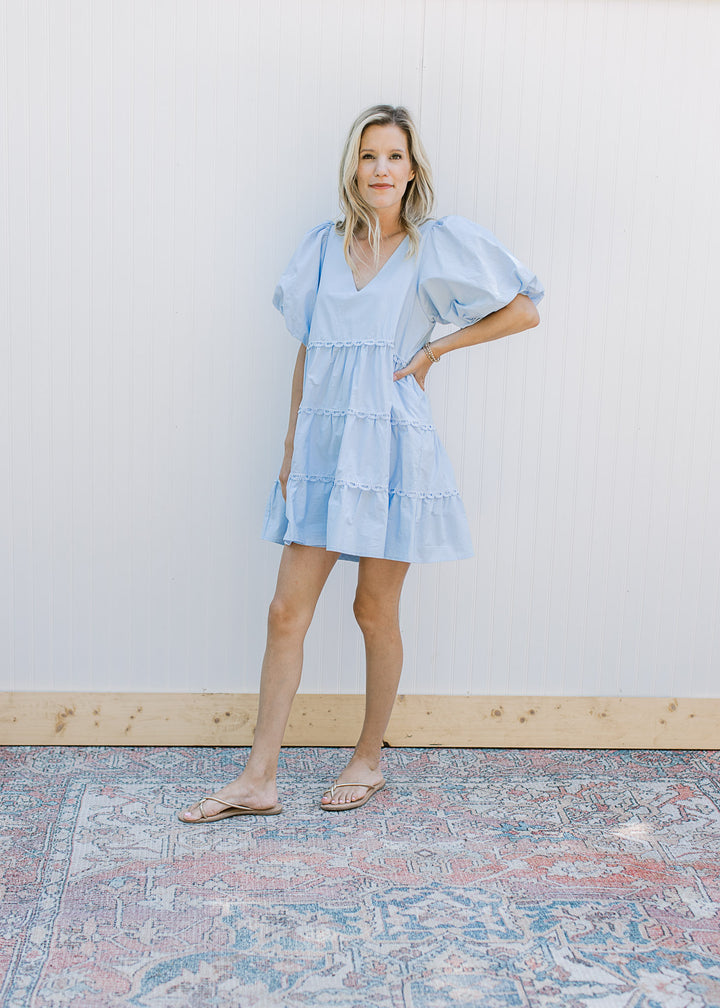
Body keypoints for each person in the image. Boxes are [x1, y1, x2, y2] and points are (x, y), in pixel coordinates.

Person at [178, 104, 543, 823]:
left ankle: (369, 758)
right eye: (369, 156)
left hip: (393, 445)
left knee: (373, 610)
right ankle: (259, 778)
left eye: (394, 157)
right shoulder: (320, 247)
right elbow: (309, 351)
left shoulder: (433, 246)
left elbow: (525, 308)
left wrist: (435, 351)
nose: (381, 169)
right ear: (355, 166)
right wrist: (290, 447)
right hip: (321, 446)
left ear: (414, 170)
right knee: (287, 612)